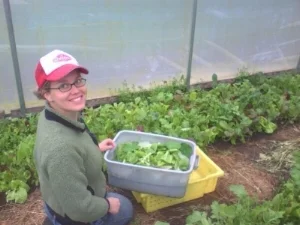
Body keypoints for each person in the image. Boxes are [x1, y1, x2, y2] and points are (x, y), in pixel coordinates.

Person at [33, 49, 134, 225]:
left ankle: (54, 218)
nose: (76, 90)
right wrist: (107, 205)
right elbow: (80, 209)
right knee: (124, 210)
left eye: (77, 81)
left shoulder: (56, 114)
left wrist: (95, 150)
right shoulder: (60, 149)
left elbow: (74, 147)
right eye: (63, 85)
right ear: (46, 93)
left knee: (125, 206)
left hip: (62, 201)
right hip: (78, 218)